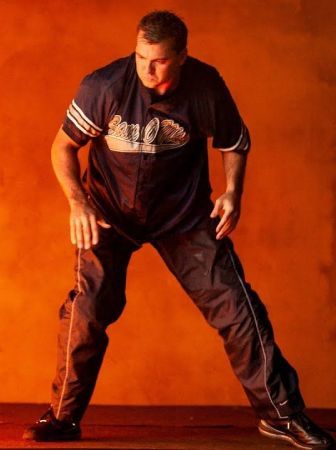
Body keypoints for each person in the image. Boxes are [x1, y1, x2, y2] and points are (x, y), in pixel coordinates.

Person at [22, 10, 334, 449]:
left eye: (159, 60)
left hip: (182, 218)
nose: (147, 69)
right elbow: (63, 146)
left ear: (182, 57)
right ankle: (63, 417)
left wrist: (232, 193)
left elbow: (234, 142)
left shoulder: (206, 87)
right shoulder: (105, 86)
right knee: (88, 309)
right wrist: (78, 202)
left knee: (238, 308)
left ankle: (281, 416)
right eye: (140, 57)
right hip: (110, 214)